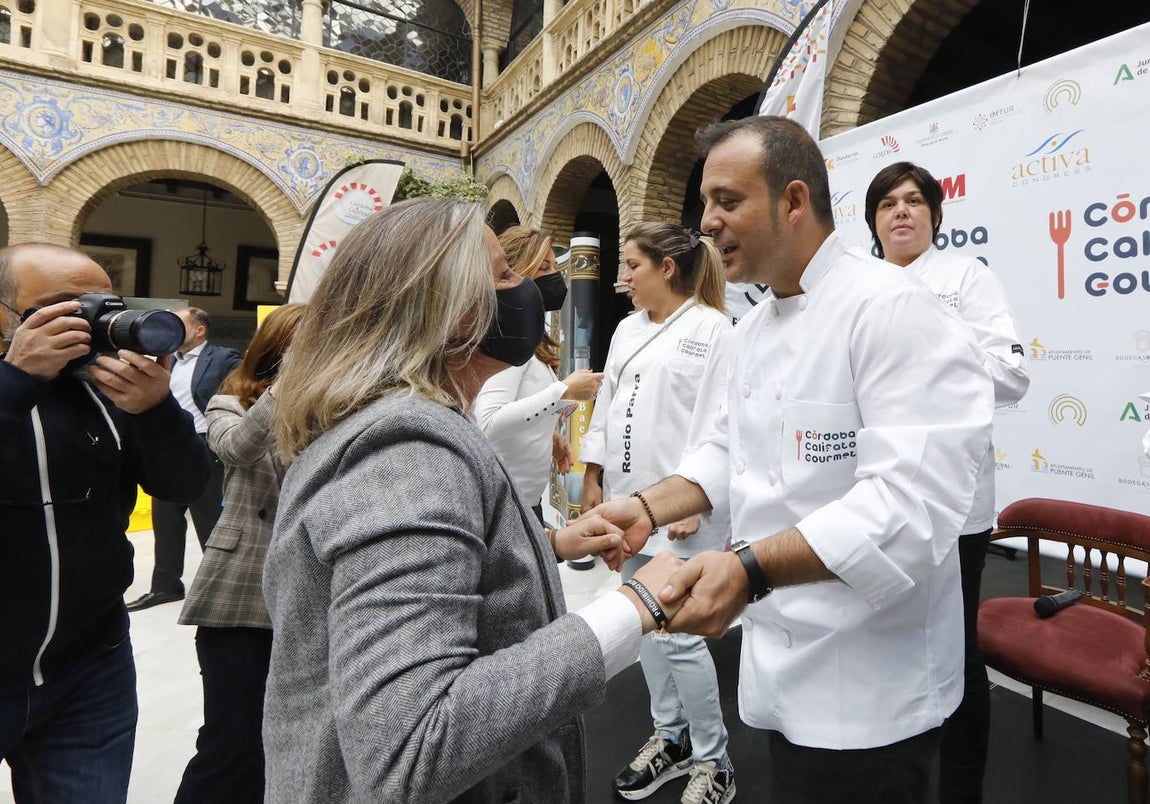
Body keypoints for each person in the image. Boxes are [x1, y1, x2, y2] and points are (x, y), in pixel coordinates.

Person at [588, 116, 995, 803]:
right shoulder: (751, 332)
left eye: (727, 200)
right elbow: (727, 448)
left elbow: (909, 506)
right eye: (705, 203)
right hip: (782, 662)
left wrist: (747, 569)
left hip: (871, 681)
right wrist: (648, 505)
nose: (706, 224)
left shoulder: (891, 310)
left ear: (794, 201)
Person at [262, 198, 686, 803]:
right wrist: (631, 609)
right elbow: (410, 747)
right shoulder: (409, 449)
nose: (528, 289)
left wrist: (548, 545)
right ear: (453, 308)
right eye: (505, 274)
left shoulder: (399, 428)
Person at [0, 243, 210, 803]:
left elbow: (184, 487)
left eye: (100, 303)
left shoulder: (106, 389)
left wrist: (158, 411)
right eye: (64, 306)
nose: (91, 320)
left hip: (90, 666)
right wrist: (17, 381)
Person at [864, 161, 1029, 804]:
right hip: (872, 499)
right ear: (874, 221)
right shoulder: (856, 287)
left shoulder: (967, 279)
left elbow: (1011, 378)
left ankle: (961, 793)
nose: (901, 211)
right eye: (887, 204)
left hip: (954, 505)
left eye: (914, 201)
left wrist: (933, 338)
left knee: (957, 655)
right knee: (884, 646)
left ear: (934, 215)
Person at [580, 223, 735, 804]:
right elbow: (608, 407)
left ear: (667, 268)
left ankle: (715, 761)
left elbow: (719, 422)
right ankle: (670, 739)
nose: (623, 278)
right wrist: (593, 474)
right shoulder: (625, 330)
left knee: (681, 636)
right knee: (644, 624)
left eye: (632, 266)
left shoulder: (714, 328)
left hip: (680, 511)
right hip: (628, 502)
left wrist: (692, 497)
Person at [174, 303, 305, 803]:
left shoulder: (337, 408)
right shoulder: (229, 403)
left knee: (287, 741)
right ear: (277, 351)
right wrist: (290, 384)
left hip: (307, 593)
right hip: (241, 589)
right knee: (231, 741)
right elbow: (239, 449)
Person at [473, 226, 603, 521]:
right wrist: (562, 391)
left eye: (555, 267)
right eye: (544, 267)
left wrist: (548, 436)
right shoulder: (509, 338)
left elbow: (521, 407)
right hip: (506, 506)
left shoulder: (531, 338)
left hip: (522, 502)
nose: (555, 277)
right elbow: (489, 422)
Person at [128, 307, 241, 611]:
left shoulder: (223, 358)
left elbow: (241, 394)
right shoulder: (163, 361)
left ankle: (221, 590)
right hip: (167, 444)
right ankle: (165, 586)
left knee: (209, 520)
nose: (170, 329)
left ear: (199, 330)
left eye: (179, 324)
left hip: (205, 445)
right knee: (164, 519)